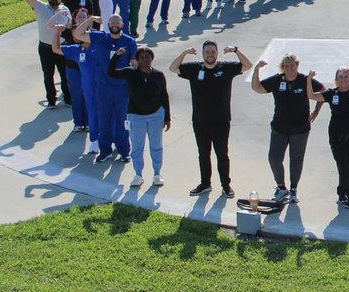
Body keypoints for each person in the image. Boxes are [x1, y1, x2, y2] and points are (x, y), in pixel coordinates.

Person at [171, 42, 253, 198]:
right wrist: (184, 53)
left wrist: (235, 50)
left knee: (222, 154)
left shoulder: (225, 68)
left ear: (217, 53)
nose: (210, 54)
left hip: (221, 121)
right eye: (207, 51)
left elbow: (247, 65)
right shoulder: (194, 68)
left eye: (213, 51)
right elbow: (173, 68)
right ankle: (205, 184)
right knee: (203, 154)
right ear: (202, 53)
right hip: (200, 121)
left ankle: (226, 185)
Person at [251, 54, 326, 204]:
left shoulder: (305, 80)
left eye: (292, 65)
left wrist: (316, 111)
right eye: (287, 66)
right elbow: (257, 88)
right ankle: (281, 187)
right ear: (283, 67)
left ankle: (293, 189)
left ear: (297, 66)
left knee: (296, 159)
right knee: (274, 158)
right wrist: (257, 69)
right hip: (279, 128)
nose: (290, 68)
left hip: (300, 129)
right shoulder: (277, 80)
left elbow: (324, 93)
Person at [74, 13, 137, 163]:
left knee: (122, 119)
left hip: (122, 88)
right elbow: (78, 34)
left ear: (122, 25)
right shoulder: (100, 37)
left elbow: (134, 65)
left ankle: (123, 150)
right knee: (104, 119)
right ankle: (105, 150)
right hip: (103, 87)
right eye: (112, 22)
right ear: (108, 25)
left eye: (117, 22)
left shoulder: (130, 42)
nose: (114, 25)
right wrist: (90, 19)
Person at [107, 46, 171, 189]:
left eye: (147, 57)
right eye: (141, 57)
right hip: (136, 116)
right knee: (137, 147)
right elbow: (111, 72)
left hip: (156, 115)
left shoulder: (159, 75)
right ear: (137, 60)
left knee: (156, 146)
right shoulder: (131, 72)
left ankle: (157, 174)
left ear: (151, 59)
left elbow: (164, 95)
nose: (144, 60)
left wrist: (167, 117)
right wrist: (116, 56)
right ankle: (138, 175)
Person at [310, 68, 349, 208]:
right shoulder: (331, 93)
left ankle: (342, 192)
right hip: (336, 134)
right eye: (340, 76)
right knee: (342, 164)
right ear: (336, 79)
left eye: (346, 76)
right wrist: (308, 79)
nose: (343, 79)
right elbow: (312, 96)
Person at [24, 0, 70, 108]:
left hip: (61, 47)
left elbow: (69, 26)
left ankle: (68, 98)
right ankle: (51, 100)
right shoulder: (40, 6)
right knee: (48, 74)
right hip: (45, 48)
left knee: (65, 73)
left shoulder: (65, 9)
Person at [51, 12, 92, 134]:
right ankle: (78, 123)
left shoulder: (93, 33)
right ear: (74, 18)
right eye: (79, 16)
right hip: (73, 69)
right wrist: (56, 32)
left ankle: (89, 122)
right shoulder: (72, 39)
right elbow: (56, 48)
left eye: (84, 17)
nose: (81, 18)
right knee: (77, 96)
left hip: (89, 71)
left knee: (89, 96)